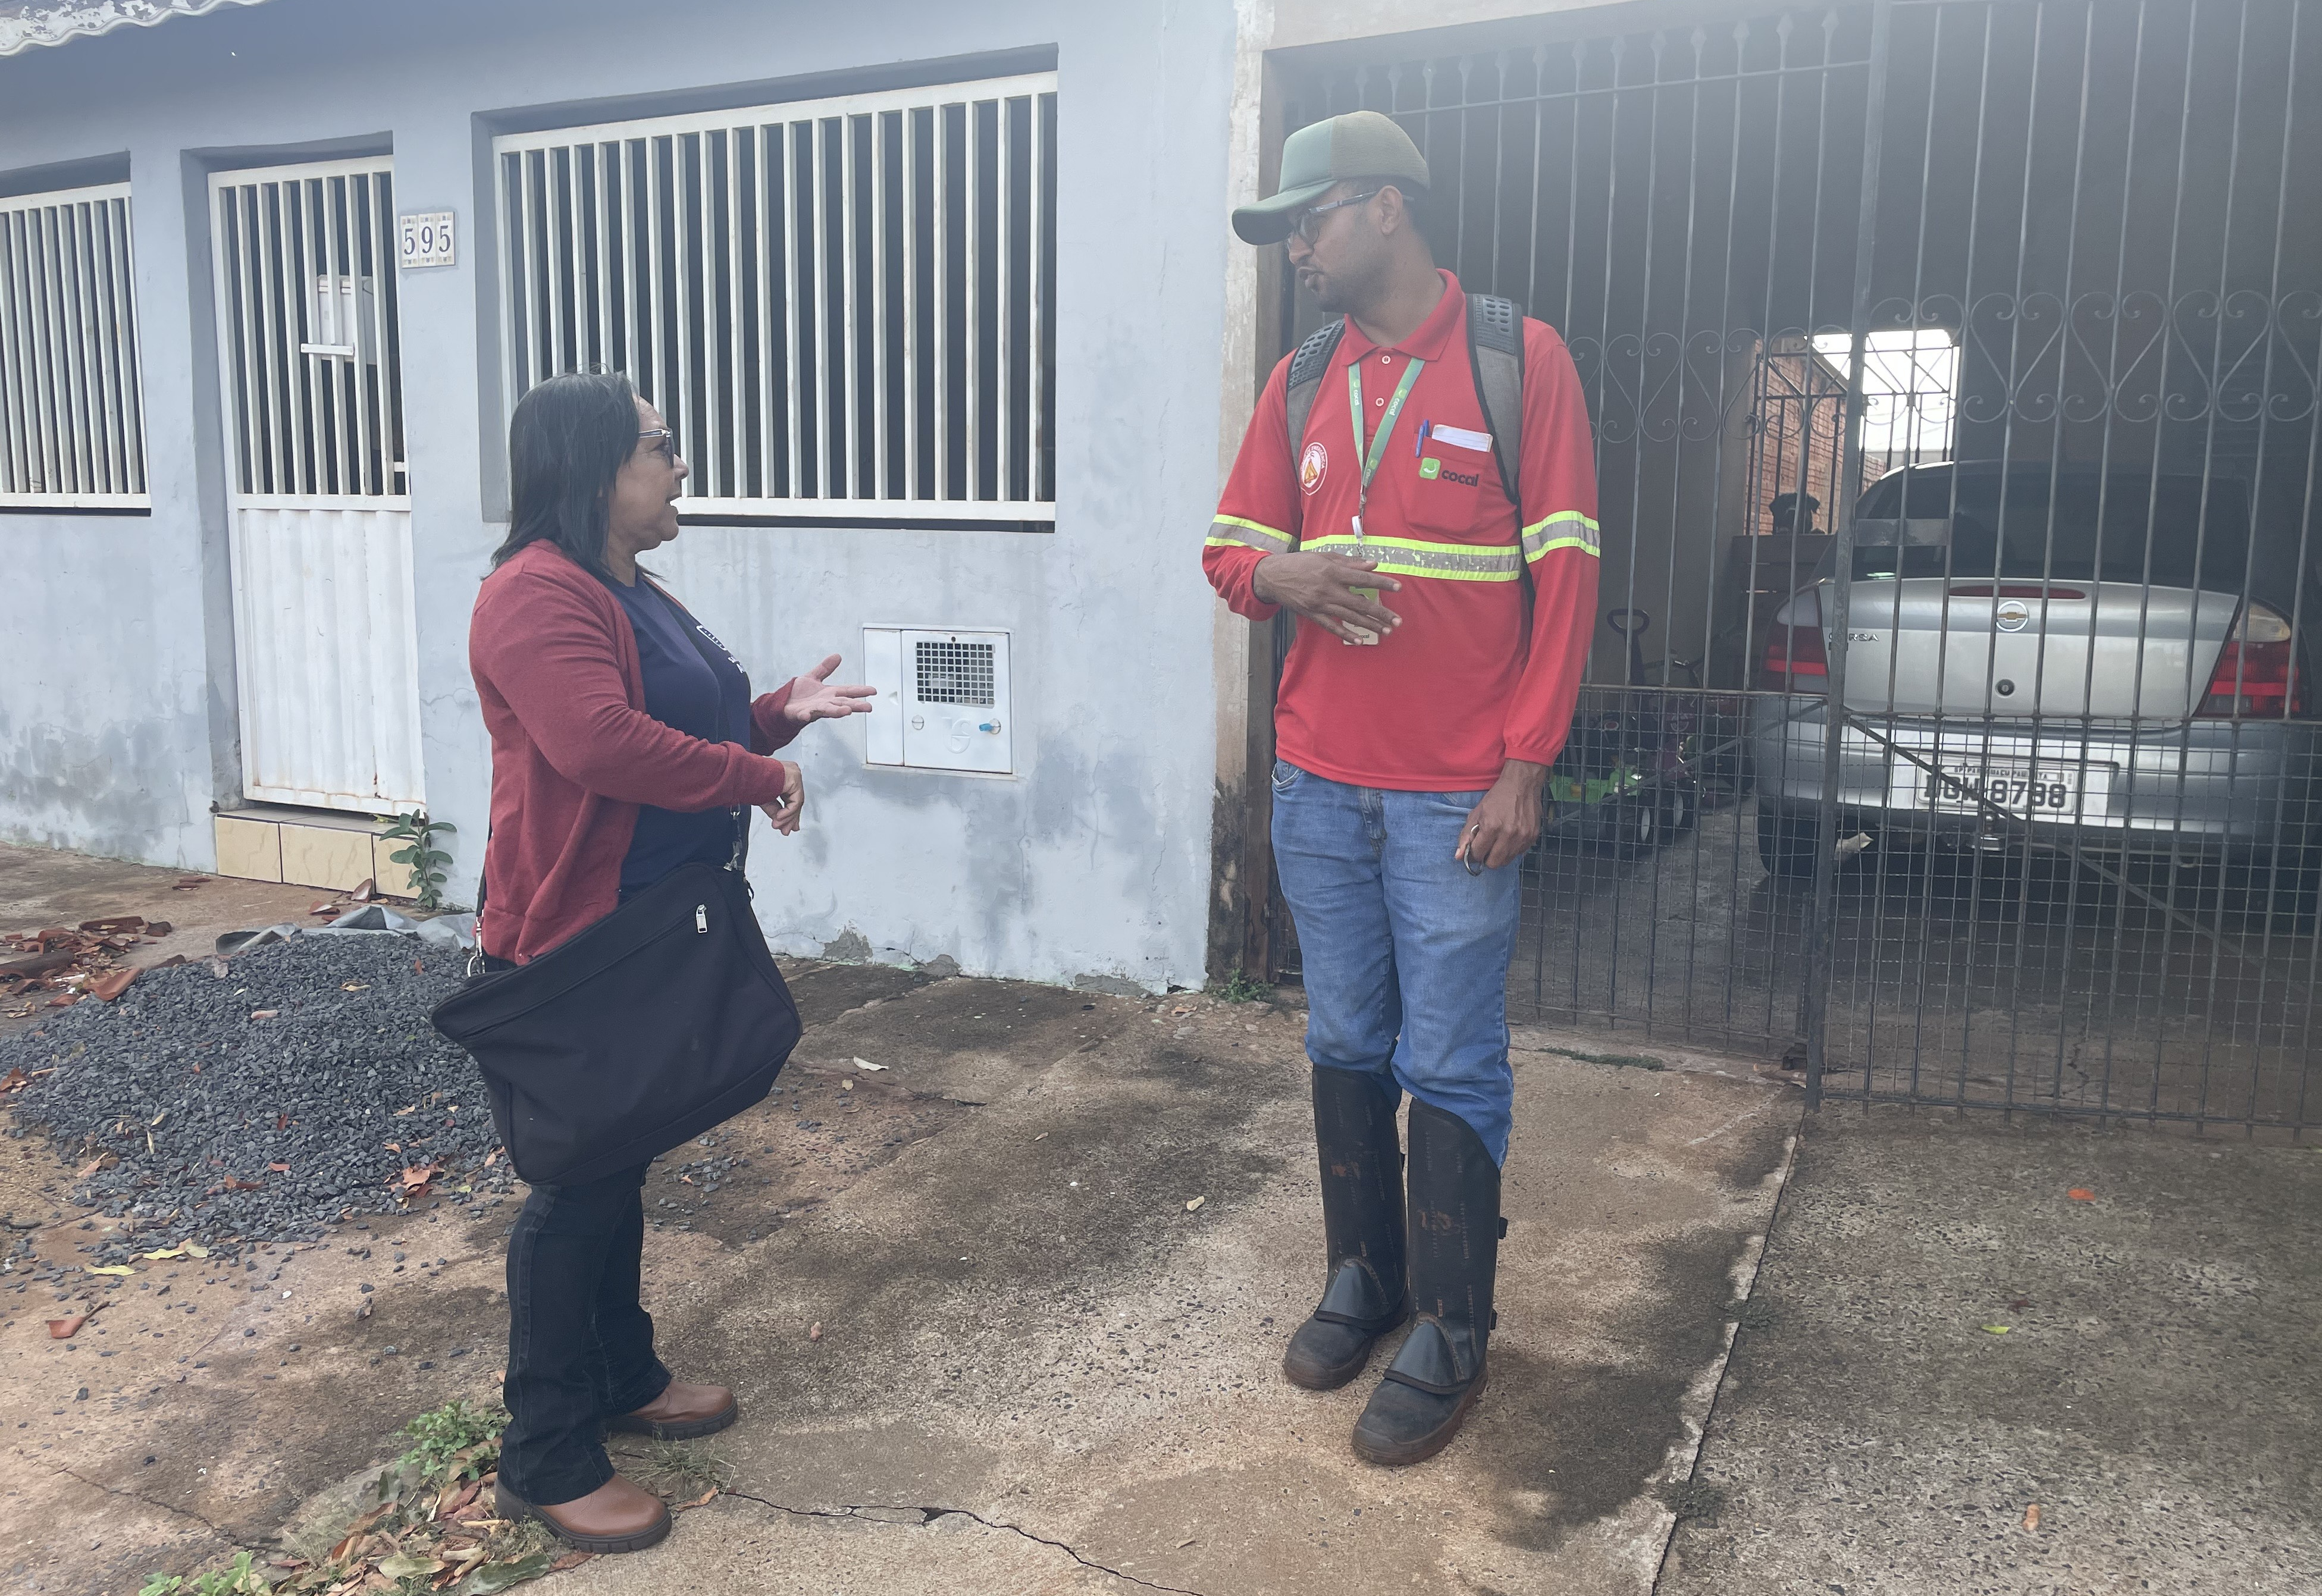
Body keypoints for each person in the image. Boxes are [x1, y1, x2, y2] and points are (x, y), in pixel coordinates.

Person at [1204, 111, 1600, 1465]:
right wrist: (1281, 573)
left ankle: (1451, 1323)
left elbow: (1567, 578)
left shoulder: (1516, 361)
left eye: (1307, 220)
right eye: (1284, 231)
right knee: (1342, 1041)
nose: (1295, 248)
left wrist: (1526, 764)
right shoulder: (1301, 378)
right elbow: (1229, 549)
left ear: (1384, 207)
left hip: (1453, 800)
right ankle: (1364, 1277)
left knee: (1449, 1057)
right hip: (1319, 785)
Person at [468, 371, 873, 1551]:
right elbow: (599, 744)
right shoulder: (533, 593)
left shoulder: (629, 587)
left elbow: (678, 727)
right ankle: (544, 1452)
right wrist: (757, 774)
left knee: (619, 1162)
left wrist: (773, 717)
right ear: (595, 469)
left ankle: (620, 1373)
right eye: (660, 445)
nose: (679, 463)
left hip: (646, 928)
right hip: (574, 942)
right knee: (577, 1187)